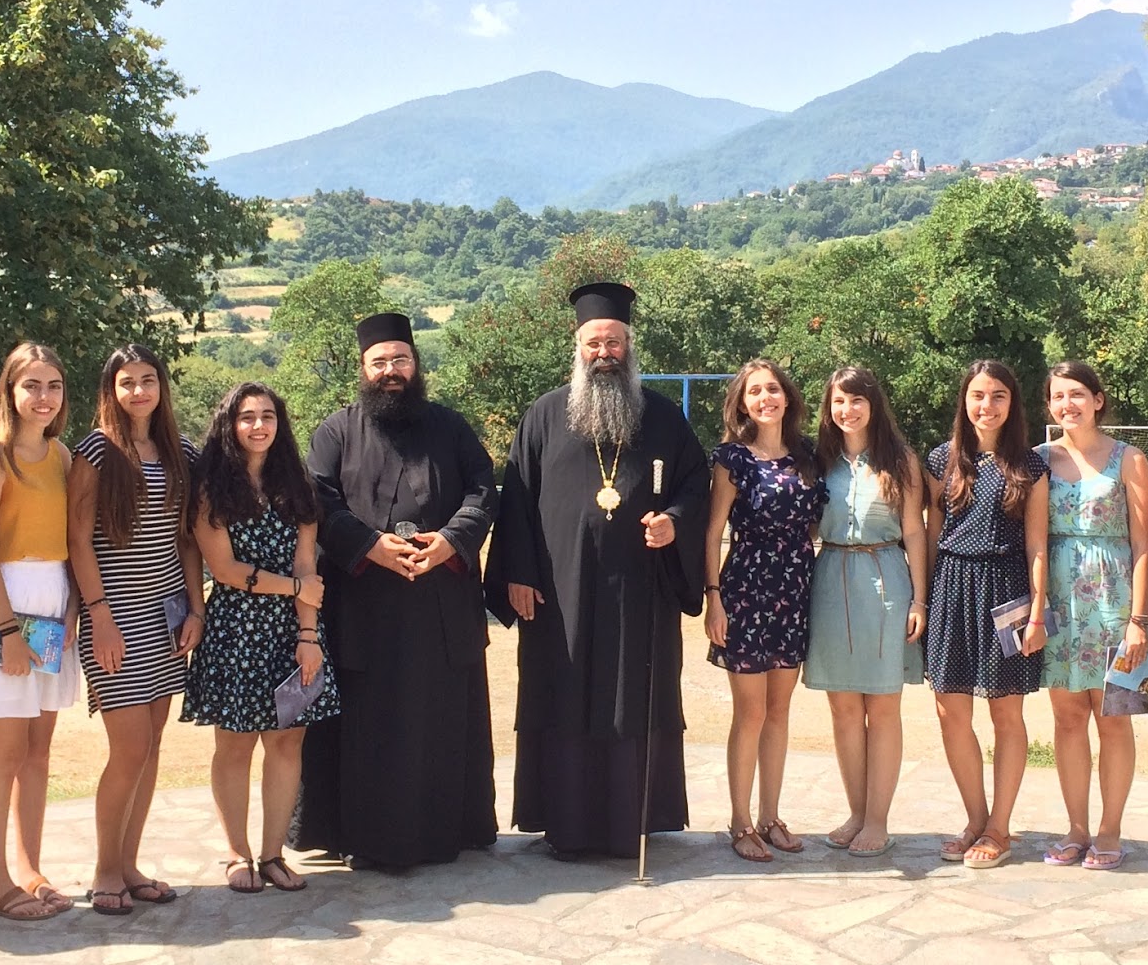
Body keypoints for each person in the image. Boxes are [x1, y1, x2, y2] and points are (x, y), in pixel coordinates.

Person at [486, 283, 709, 859]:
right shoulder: (544, 415)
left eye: (614, 343)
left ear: (629, 347)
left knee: (631, 695)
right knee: (561, 692)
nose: (604, 353)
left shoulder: (662, 417)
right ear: (577, 346)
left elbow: (695, 486)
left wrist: (674, 523)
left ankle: (631, 819)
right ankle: (565, 821)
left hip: (640, 590)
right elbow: (516, 501)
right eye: (594, 343)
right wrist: (517, 573)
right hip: (558, 592)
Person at [291, 312, 499, 868]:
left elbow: (483, 491)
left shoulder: (451, 427)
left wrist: (450, 541)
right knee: (367, 725)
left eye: (400, 360)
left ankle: (445, 831)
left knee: (439, 720)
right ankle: (360, 835)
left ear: (416, 364)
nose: (391, 371)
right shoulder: (335, 431)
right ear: (363, 369)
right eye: (379, 362)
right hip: (363, 607)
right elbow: (318, 501)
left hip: (440, 606)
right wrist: (370, 546)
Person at [67, 344, 202, 915]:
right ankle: (105, 871)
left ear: (161, 386)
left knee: (151, 747)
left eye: (148, 379)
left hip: (167, 615)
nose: (139, 391)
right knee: (129, 749)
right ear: (112, 390)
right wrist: (97, 615)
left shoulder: (181, 451)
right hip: (114, 616)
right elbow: (78, 540)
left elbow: (187, 539)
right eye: (127, 382)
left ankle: (130, 865)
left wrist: (196, 610)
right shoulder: (96, 450)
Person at [184, 383, 334, 892]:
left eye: (267, 416)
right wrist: (295, 588)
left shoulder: (297, 484)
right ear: (230, 424)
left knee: (288, 741)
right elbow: (225, 569)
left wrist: (308, 635)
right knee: (235, 745)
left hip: (293, 630)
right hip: (235, 630)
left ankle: (272, 855)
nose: (258, 426)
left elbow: (306, 562)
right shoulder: (210, 488)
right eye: (247, 417)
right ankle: (236, 853)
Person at [0, 343, 80, 921]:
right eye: (31, 385)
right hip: (4, 605)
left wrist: (72, 613)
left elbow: (71, 544)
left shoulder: (63, 456)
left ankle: (30, 870)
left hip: (52, 604)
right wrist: (8, 631)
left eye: (53, 385)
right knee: (3, 751)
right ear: (10, 390)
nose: (43, 397)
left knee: (37, 750)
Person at [924, 359, 1050, 870]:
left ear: (1012, 403)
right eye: (978, 395)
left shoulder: (1031, 466)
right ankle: (976, 819)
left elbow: (1037, 544)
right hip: (951, 588)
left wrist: (1037, 613)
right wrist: (923, 599)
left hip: (1009, 592)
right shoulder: (942, 459)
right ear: (965, 401)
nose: (987, 405)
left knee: (1006, 714)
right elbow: (931, 534)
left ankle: (1000, 827)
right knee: (950, 711)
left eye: (998, 395)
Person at [703, 358, 825, 862]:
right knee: (750, 712)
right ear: (742, 403)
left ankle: (771, 817)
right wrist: (713, 597)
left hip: (795, 590)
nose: (765, 398)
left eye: (772, 389)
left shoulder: (809, 455)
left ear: (787, 397)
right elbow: (713, 531)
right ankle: (740, 821)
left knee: (779, 711)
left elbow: (815, 524)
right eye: (754, 391)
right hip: (747, 591)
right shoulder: (732, 458)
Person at [804, 366, 928, 858]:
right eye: (839, 401)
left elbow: (915, 531)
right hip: (831, 581)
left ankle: (878, 819)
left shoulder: (901, 460)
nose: (847, 409)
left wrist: (919, 599)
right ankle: (856, 813)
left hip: (886, 582)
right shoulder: (818, 461)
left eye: (857, 400)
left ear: (874, 405)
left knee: (882, 707)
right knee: (843, 709)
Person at [1036, 361, 1148, 870]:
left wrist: (1139, 620)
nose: (1068, 404)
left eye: (1078, 394)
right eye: (1058, 396)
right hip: (1058, 603)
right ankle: (1076, 828)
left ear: (1098, 400)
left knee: (1114, 720)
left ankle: (1109, 830)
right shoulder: (1038, 460)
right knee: (1067, 719)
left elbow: (1145, 545)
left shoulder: (1130, 459)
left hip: (1114, 602)